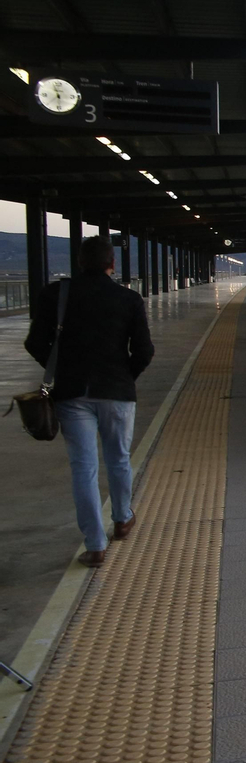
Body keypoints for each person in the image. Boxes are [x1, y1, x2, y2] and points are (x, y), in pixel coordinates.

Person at [25, 236, 155, 567]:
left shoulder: (56, 294)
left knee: (83, 468)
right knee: (119, 459)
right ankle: (122, 519)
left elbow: (35, 343)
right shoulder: (128, 298)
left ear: (80, 262)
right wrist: (125, 376)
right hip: (117, 392)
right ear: (112, 264)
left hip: (72, 394)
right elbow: (144, 351)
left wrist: (59, 370)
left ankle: (95, 546)